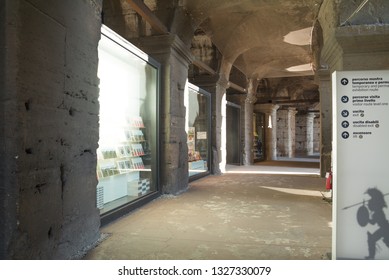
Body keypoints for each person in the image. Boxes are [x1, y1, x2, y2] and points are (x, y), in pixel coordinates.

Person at [364, 188, 389, 259]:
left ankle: (371, 256)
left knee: (372, 239)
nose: (369, 206)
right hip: (384, 228)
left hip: (385, 229)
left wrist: (366, 218)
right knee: (372, 239)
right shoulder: (378, 211)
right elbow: (373, 222)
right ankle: (371, 256)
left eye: (369, 205)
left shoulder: (378, 212)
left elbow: (372, 222)